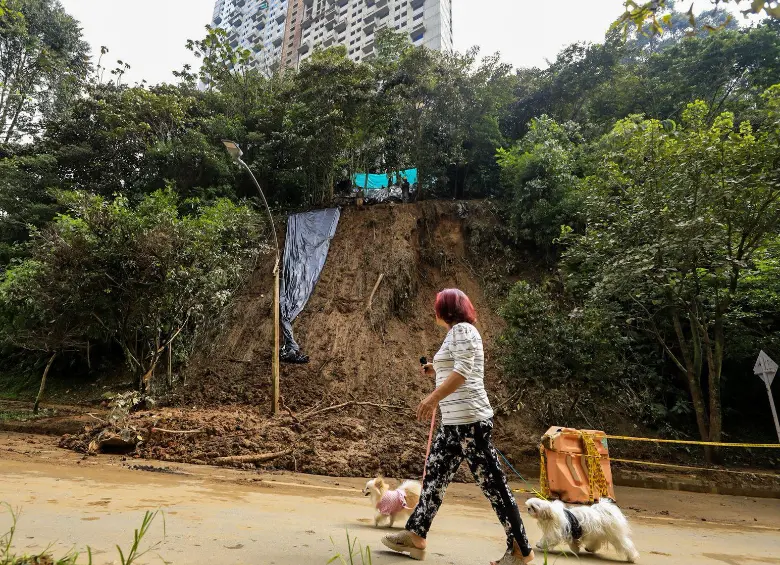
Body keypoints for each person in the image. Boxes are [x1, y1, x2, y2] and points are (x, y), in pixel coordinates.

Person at [381, 289, 534, 564]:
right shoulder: (457, 333)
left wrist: (432, 398)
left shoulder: (463, 330)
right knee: (434, 479)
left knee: (495, 487)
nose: (434, 311)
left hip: (471, 422)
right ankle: (415, 535)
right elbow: (456, 367)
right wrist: (434, 369)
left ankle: (521, 549)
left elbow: (463, 372)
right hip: (453, 424)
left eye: (437, 306)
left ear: (446, 310)